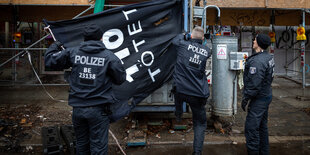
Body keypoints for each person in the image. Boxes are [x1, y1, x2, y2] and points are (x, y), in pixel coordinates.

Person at [45, 23, 126, 154]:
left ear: (84, 38)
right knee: (98, 148)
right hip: (99, 111)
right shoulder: (109, 57)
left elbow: (50, 61)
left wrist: (55, 45)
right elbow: (120, 79)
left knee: (82, 145)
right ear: (101, 38)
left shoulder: (73, 52)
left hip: (78, 110)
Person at [172, 26, 211, 155]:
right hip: (197, 93)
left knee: (176, 90)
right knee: (200, 123)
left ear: (191, 36)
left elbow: (174, 40)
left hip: (181, 91)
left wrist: (186, 35)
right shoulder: (207, 51)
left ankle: (178, 113)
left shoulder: (182, 45)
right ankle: (197, 152)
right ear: (203, 39)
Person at [241, 33, 275, 155]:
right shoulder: (268, 57)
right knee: (262, 127)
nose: (253, 41)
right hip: (266, 95)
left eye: (255, 40)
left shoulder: (258, 61)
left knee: (251, 128)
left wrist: (246, 98)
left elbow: (255, 84)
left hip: (259, 98)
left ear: (259, 43)